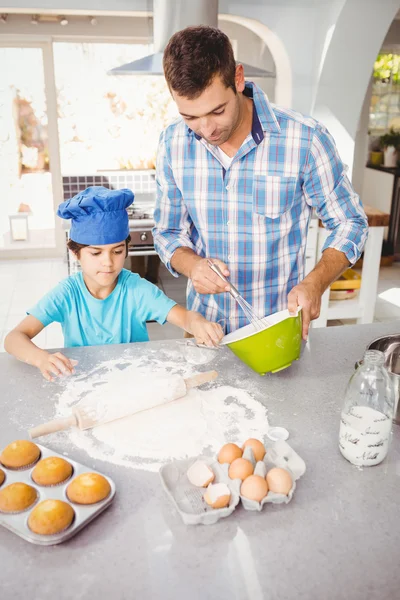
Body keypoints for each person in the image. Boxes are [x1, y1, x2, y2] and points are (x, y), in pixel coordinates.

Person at [153, 26, 368, 340]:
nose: (207, 129)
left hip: (278, 332)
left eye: (217, 110)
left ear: (238, 79)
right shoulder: (173, 143)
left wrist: (315, 283)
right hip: (205, 332)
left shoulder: (305, 139)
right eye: (190, 117)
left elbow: (350, 221)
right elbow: (167, 232)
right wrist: (193, 266)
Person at [4, 186, 223, 381]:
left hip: (135, 381)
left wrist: (197, 324)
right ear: (76, 253)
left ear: (127, 248)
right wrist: (40, 358)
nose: (108, 262)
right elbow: (13, 338)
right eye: (96, 253)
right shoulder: (67, 294)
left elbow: (184, 317)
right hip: (82, 384)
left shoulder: (136, 289)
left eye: (117, 251)